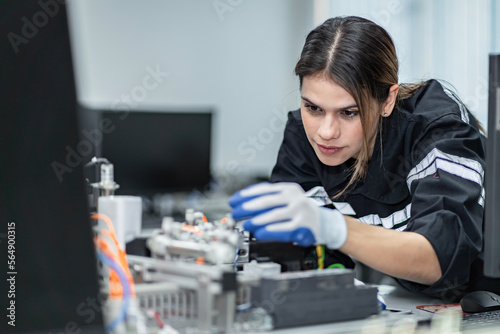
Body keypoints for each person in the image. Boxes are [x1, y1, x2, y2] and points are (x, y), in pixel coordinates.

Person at [229, 16, 492, 301]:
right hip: (419, 302)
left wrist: (331, 226)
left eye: (349, 112)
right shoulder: (303, 136)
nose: (325, 132)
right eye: (313, 108)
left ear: (388, 100)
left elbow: (440, 258)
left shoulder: (435, 127)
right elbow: (314, 260)